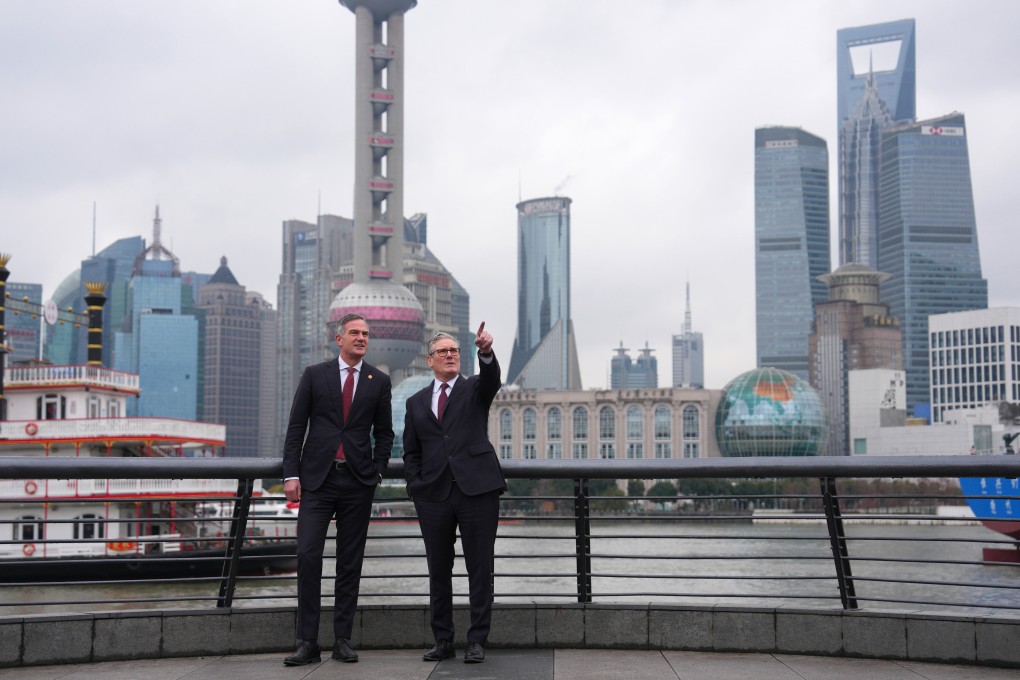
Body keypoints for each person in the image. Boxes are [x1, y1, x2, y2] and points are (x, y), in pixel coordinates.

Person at [281, 313, 394, 666]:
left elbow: (385, 433)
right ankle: (307, 642)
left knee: (350, 562)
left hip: (358, 481)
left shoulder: (380, 381)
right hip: (318, 479)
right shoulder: (316, 375)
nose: (361, 338)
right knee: (308, 555)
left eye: (366, 334)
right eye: (355, 333)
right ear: (339, 338)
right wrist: (290, 475)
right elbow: (297, 426)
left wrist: (377, 471)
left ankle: (342, 639)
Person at [403, 322, 504, 664]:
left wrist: (486, 352)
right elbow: (411, 452)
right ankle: (443, 640)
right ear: (429, 360)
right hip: (433, 495)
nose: (450, 355)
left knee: (480, 568)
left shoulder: (476, 388)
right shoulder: (416, 402)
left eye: (455, 351)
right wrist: (417, 487)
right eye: (443, 352)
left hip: (478, 490)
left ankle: (477, 640)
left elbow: (492, 380)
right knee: (438, 570)